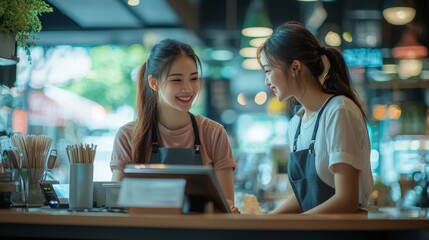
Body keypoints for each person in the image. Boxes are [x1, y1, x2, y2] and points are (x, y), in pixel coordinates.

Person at [257, 21, 373, 214]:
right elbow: (304, 198)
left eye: (269, 71)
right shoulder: (295, 124)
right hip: (314, 231)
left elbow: (347, 200)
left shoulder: (338, 111)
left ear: (294, 67)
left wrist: (297, 224)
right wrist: (269, 219)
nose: (266, 80)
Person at [110, 38, 238, 212]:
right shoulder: (128, 135)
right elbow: (116, 205)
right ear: (154, 83)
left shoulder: (214, 133)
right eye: (176, 80)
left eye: (194, 78)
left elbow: (226, 205)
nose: (188, 89)